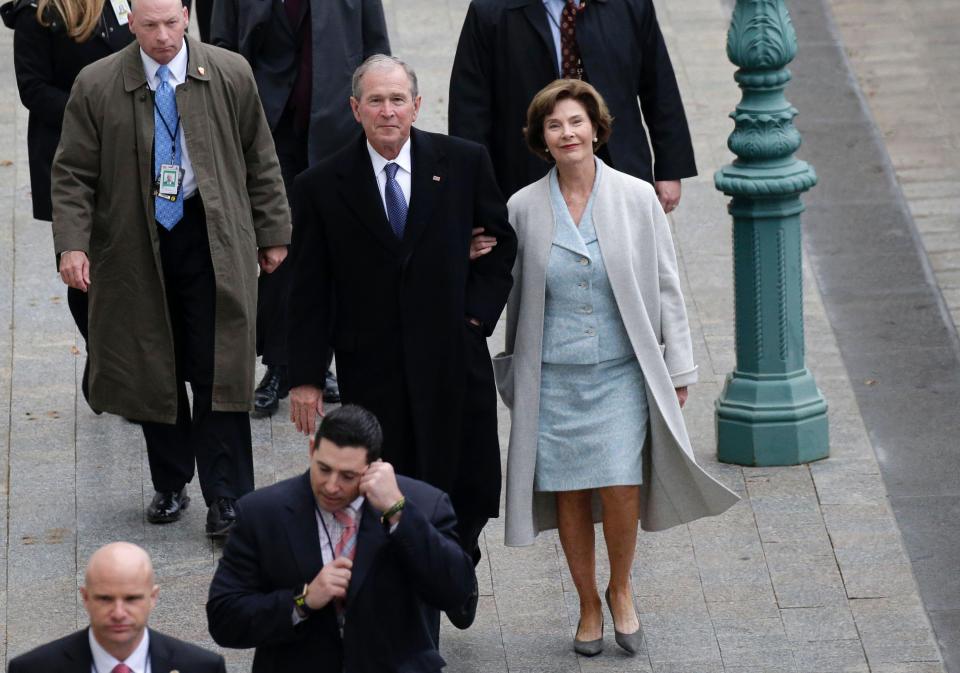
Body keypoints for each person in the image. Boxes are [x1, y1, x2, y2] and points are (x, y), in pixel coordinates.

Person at [495, 80, 738, 656]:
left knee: (622, 486)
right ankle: (586, 604)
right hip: (553, 376)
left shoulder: (635, 197)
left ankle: (621, 587)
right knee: (568, 493)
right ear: (542, 139)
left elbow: (666, 284)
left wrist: (677, 368)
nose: (567, 133)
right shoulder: (522, 208)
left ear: (597, 128)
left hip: (622, 372)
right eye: (554, 126)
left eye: (576, 122)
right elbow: (506, 291)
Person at [286, 54, 516, 626]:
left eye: (397, 100)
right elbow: (310, 289)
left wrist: (473, 320)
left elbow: (499, 248)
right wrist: (307, 377)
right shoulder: (321, 185)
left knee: (470, 480)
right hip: (376, 369)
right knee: (394, 484)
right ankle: (419, 597)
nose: (387, 111)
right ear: (355, 109)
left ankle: (457, 562)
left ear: (417, 105)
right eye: (375, 101)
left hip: (452, 359)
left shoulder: (461, 163)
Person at [51, 0, 291, 537]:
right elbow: (72, 173)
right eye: (149, 24)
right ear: (130, 22)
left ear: (188, 15)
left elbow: (261, 156)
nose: (162, 36)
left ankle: (228, 496)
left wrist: (272, 231)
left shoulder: (229, 72)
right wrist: (72, 245)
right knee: (151, 363)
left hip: (213, 239)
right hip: (136, 243)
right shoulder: (97, 83)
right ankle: (171, 480)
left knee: (218, 367)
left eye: (171, 23)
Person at [211, 0, 390, 416]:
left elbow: (377, 49)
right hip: (267, 128)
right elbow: (222, 44)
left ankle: (322, 362)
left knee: (335, 247)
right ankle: (278, 364)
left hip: (335, 129)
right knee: (277, 248)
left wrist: (378, 121)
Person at [207, 405, 475, 672]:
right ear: (312, 449)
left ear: (373, 468)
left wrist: (398, 513)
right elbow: (224, 618)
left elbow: (455, 591)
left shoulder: (426, 505)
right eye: (323, 469)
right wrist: (302, 600)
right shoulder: (262, 513)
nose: (332, 486)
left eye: (348, 476)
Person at [3, 0, 133, 407]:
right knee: (84, 269)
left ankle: (121, 363)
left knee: (131, 263)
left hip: (131, 152)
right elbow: (33, 89)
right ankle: (107, 362)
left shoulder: (125, 4)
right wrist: (95, 114)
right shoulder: (38, 15)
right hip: (70, 158)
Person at [448, 0, 696, 214]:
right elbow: (469, 110)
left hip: (620, 164)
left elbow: (660, 87)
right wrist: (475, 192)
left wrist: (669, 169)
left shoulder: (631, 5)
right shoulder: (490, 12)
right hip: (524, 170)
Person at [8, 542, 226, 672]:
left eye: (131, 599)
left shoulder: (200, 667)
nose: (119, 613)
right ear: (85, 598)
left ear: (153, 597)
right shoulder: (33, 669)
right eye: (105, 599)